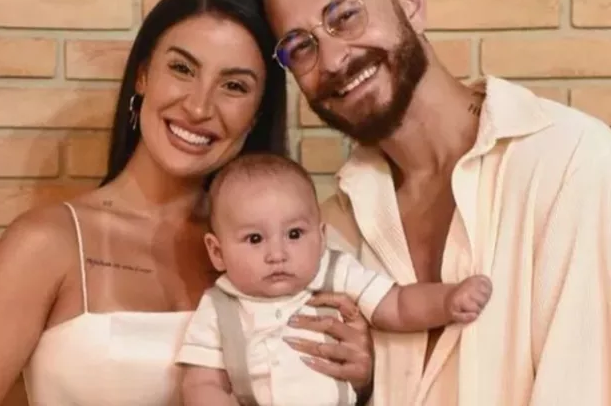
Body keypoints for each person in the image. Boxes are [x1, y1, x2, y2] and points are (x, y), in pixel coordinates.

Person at [233, 0, 611, 405]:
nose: (332, 59)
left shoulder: (571, 163)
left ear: (411, 1)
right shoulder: (328, 228)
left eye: (345, 15)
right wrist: (360, 385)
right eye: (300, 46)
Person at [0, 0, 373, 406]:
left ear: (257, 114)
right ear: (143, 75)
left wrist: (362, 378)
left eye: (234, 86)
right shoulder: (47, 243)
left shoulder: (289, 248)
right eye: (182, 69)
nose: (199, 107)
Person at [177, 153, 492, 406]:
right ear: (217, 252)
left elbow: (396, 304)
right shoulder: (218, 307)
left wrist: (447, 300)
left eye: (294, 234)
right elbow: (201, 383)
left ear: (321, 237)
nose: (277, 254)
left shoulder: (335, 272)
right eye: (255, 239)